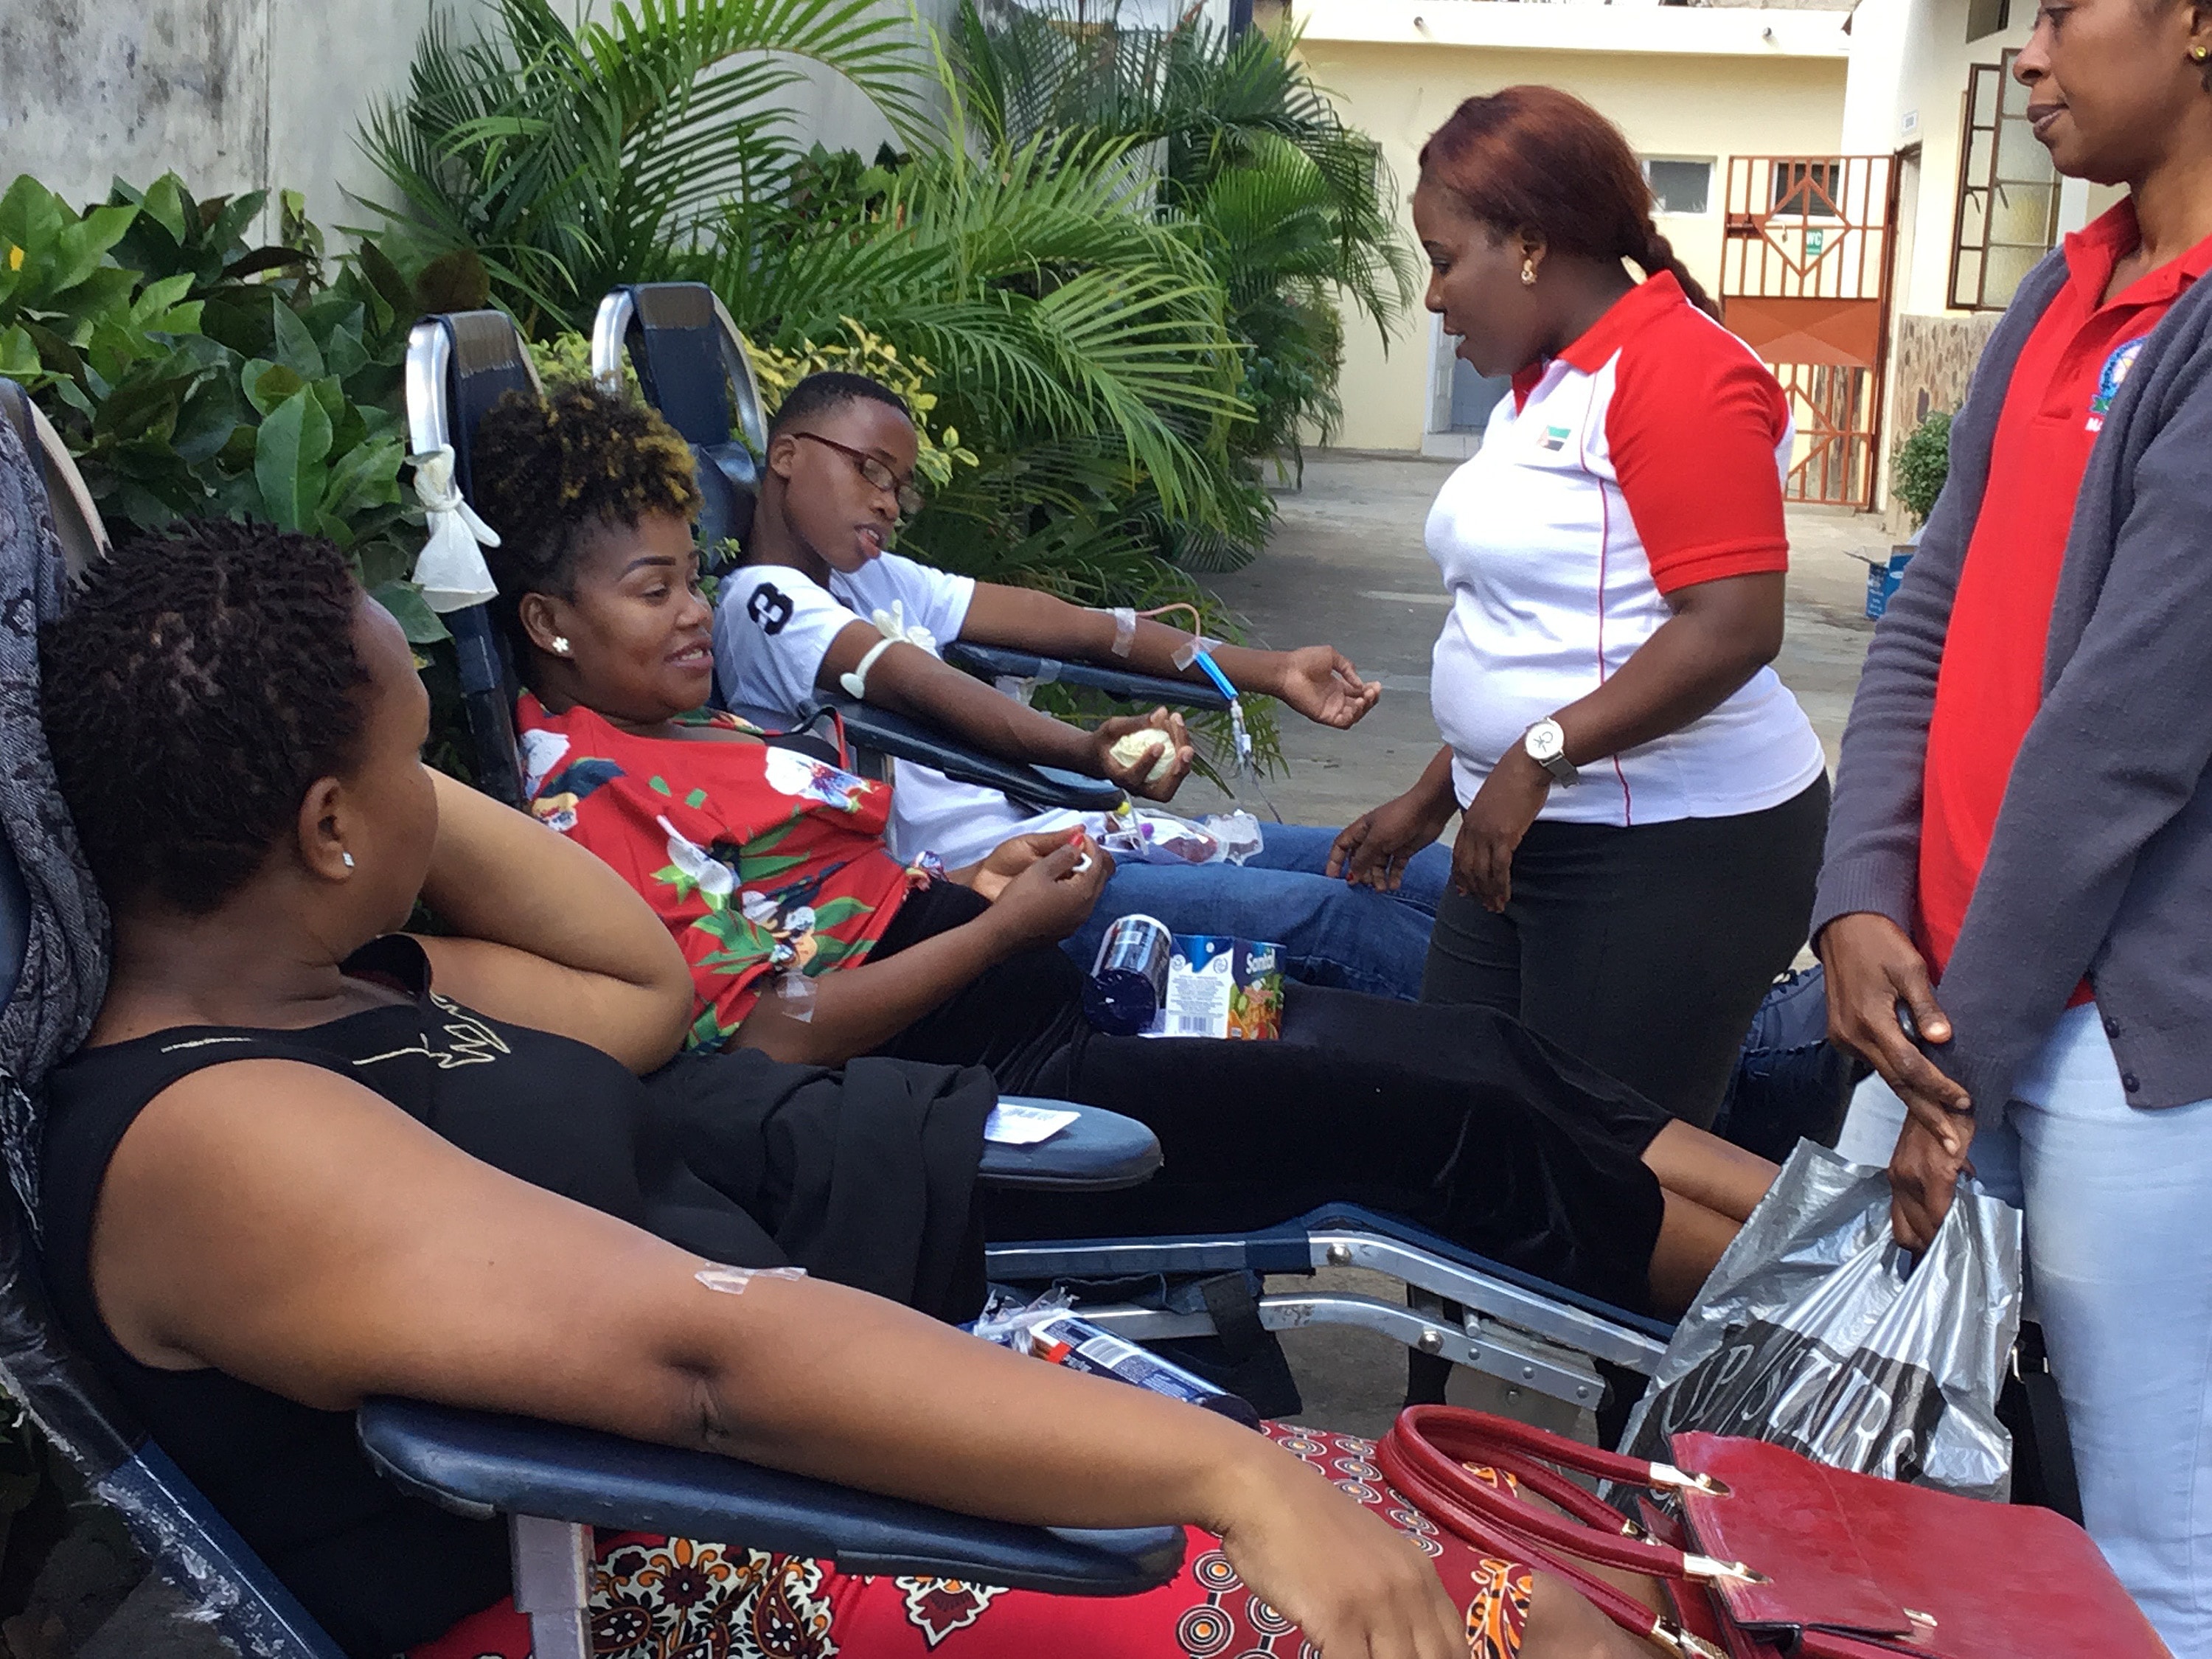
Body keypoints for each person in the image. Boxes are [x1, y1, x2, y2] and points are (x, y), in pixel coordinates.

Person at [29, 516, 1652, 1659]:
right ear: (325, 830)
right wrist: (1224, 1473)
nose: (450, 797)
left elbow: (642, 993)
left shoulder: (365, 982)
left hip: (780, 1481)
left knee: (1524, 1556)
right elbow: (700, 1352)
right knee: (1492, 1623)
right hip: (655, 1584)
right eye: (417, 767)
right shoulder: (199, 1131)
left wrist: (378, 795)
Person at [470, 382, 1780, 1321]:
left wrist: (975, 888)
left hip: (1056, 993)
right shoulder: (590, 806)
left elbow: (838, 899)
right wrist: (998, 925)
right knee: (1447, 1128)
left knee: (1477, 1050)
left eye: (686, 577)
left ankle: (1817, 1239)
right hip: (1002, 1086)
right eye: (654, 593)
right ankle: (1814, 1327)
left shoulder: (679, 723)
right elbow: (771, 1039)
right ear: (549, 621)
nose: (696, 610)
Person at [1812, 0, 2212, 1645]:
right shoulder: (2066, 291)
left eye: (2059, 9)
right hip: (1948, 1003)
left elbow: (2126, 741)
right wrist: (1851, 899)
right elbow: (1928, 609)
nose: (2027, 53)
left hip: (2123, 1044)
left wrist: (1953, 1070)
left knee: (2148, 1545)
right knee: (1846, 1453)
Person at [1330, 87, 1830, 1130]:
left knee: (1594, 1178)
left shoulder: (1678, 370)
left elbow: (1732, 625)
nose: (1431, 297)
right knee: (1457, 1125)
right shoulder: (1548, 383)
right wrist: (1442, 788)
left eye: (1441, 257)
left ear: (1528, 245)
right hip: (1529, 822)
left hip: (1667, 848)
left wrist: (1534, 757)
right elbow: (1547, 629)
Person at [706, 370, 1453, 1001]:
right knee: (1346, 922)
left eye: (899, 488)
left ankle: (1530, 1041)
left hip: (1087, 838)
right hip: (1008, 887)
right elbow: (922, 685)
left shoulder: (866, 579)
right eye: (870, 471)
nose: (888, 504)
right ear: (787, 455)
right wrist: (1086, 754)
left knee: (1413, 865)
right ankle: (1527, 1082)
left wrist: (1273, 669)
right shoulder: (763, 603)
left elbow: (1078, 627)